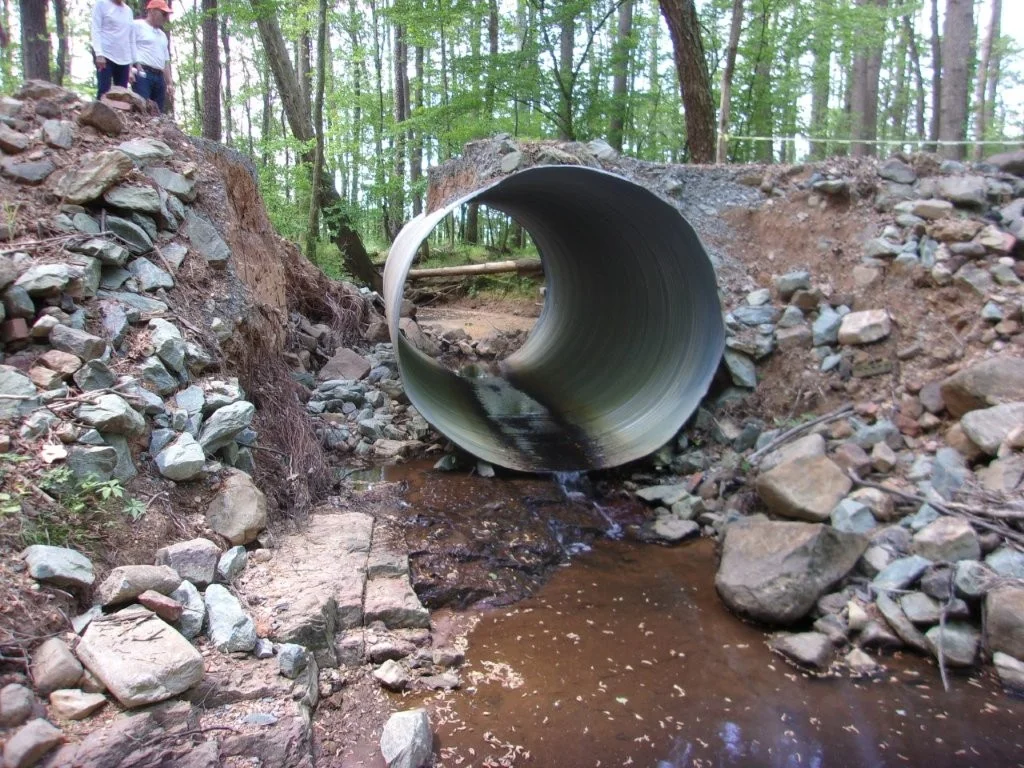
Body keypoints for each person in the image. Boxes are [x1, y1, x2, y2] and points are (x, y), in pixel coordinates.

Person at [132, 0, 173, 113]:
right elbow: (127, 46)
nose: (166, 18)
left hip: (159, 77)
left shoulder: (162, 35)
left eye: (167, 15)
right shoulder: (137, 25)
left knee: (157, 112)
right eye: (163, 14)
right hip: (143, 73)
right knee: (142, 108)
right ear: (152, 11)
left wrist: (169, 83)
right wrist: (130, 68)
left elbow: (166, 61)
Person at [91, 0, 136, 99]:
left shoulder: (128, 11)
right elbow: (96, 29)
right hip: (106, 55)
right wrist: (99, 54)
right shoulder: (101, 4)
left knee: (122, 95)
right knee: (103, 90)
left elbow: (130, 39)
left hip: (124, 59)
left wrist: (131, 65)